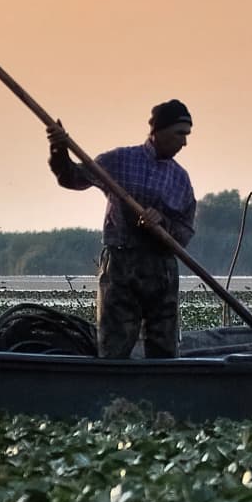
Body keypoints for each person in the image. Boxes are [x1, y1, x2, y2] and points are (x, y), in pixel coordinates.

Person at [47, 99, 197, 359]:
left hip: (161, 270)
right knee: (114, 346)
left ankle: (162, 393)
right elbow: (71, 178)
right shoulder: (118, 161)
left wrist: (161, 223)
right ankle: (114, 394)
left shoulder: (180, 179)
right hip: (121, 264)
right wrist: (60, 149)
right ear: (158, 131)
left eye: (187, 136)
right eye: (180, 134)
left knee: (164, 349)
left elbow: (184, 234)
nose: (184, 143)